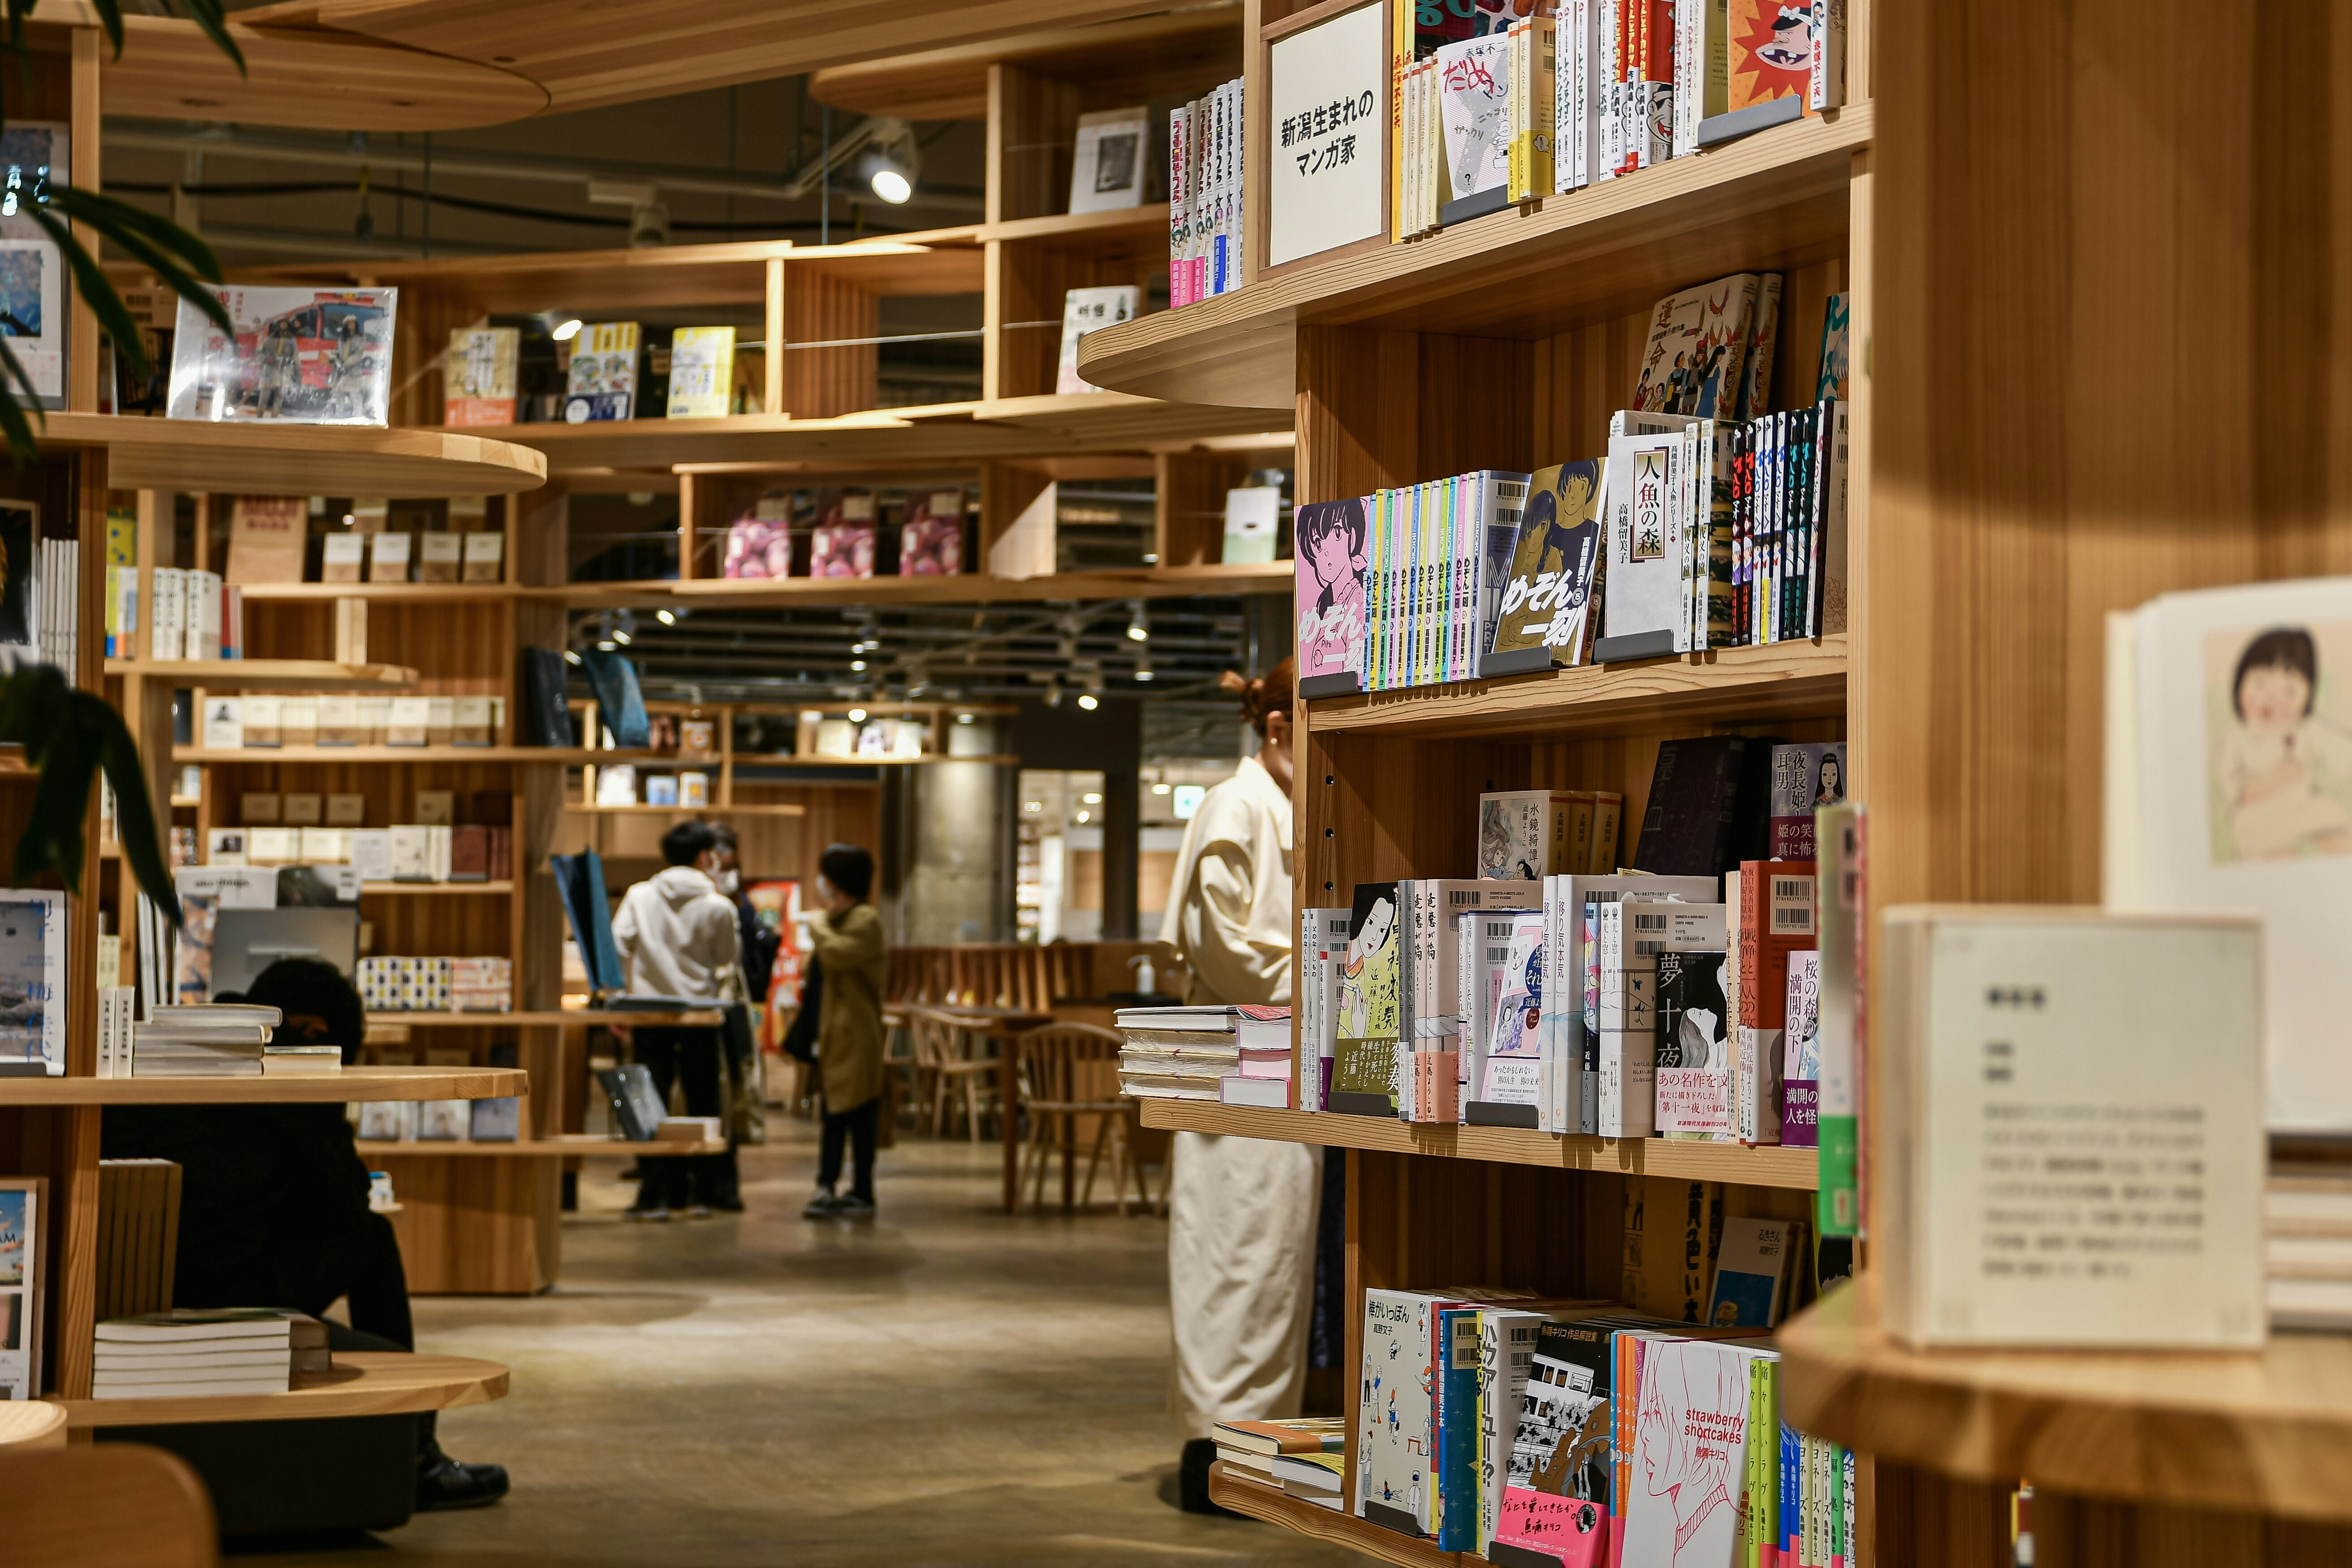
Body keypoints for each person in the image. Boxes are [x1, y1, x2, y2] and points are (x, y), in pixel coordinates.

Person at [103, 959, 508, 1511]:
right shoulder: (293, 1081)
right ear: (316, 1033)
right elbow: (346, 1204)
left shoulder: (178, 1049)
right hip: (229, 1288)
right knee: (371, 1240)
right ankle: (419, 1456)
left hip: (130, 1276)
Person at [1159, 657, 1322, 1514]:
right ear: (1277, 729)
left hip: (1280, 1052)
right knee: (1237, 1250)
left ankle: (1255, 1449)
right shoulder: (1238, 803)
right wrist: (1338, 972)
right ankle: (1222, 1453)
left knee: (1272, 1252)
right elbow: (1222, 945)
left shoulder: (1291, 803)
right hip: (1238, 1052)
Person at [612, 820, 745, 1219]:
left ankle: (654, 1194)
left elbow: (618, 943)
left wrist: (618, 999)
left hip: (650, 1013)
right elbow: (727, 959)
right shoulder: (719, 905)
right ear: (706, 856)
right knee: (703, 1101)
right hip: (700, 1016)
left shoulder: (640, 895)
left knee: (650, 1103)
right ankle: (702, 1194)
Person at [801, 842, 888, 1219]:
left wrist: (816, 922)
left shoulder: (865, 920)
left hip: (857, 1035)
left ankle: (861, 1191)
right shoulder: (837, 920)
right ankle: (827, 1184)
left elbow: (836, 953)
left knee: (857, 1115)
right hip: (834, 1034)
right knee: (834, 1113)